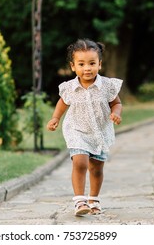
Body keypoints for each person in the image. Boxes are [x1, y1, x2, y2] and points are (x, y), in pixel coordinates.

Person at [46, 38, 123, 216]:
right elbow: (62, 103)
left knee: (96, 168)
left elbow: (116, 103)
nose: (87, 68)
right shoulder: (69, 88)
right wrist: (55, 118)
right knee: (80, 162)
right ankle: (79, 201)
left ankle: (94, 200)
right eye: (81, 64)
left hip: (99, 132)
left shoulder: (107, 86)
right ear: (73, 66)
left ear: (99, 64)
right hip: (77, 130)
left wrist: (116, 113)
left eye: (91, 63)